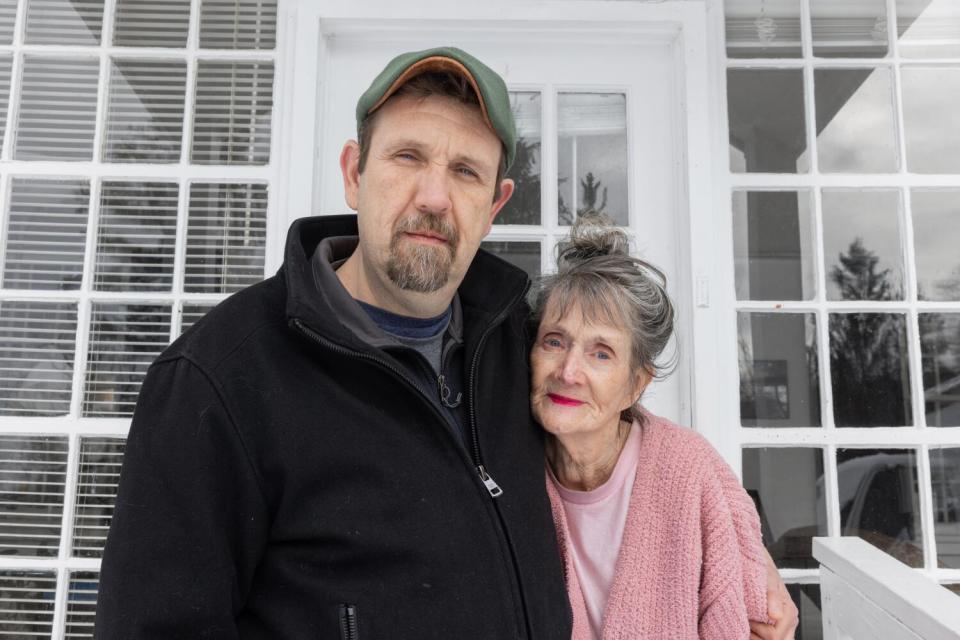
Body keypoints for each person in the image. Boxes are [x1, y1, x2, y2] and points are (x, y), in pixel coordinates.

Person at [95, 47, 795, 639]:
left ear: (495, 204)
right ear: (353, 173)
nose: (434, 195)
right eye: (408, 156)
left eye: (465, 171)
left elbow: (612, 427)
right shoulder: (219, 382)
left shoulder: (515, 342)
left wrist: (731, 546)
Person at [529, 215, 799, 639]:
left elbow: (749, 613)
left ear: (635, 384)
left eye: (601, 353)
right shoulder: (507, 458)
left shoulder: (688, 469)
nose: (568, 371)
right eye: (555, 341)